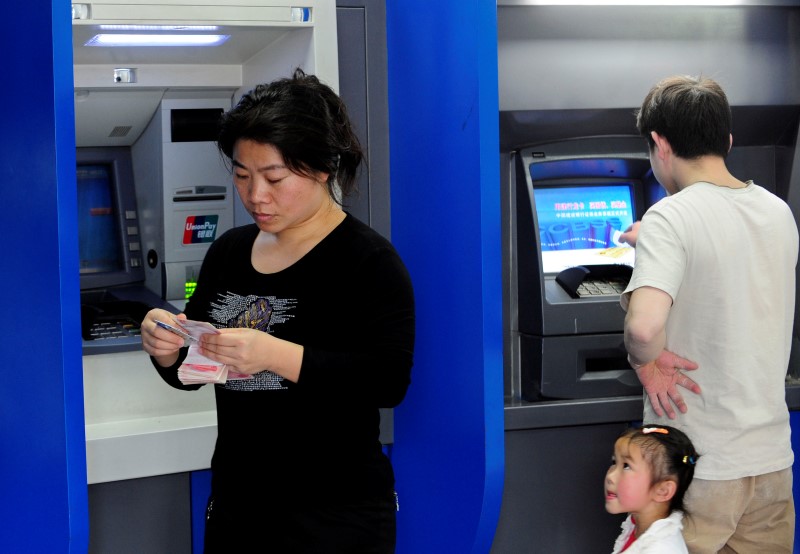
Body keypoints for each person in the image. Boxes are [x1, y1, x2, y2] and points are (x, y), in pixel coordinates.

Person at [140, 68, 415, 553]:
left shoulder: (367, 260)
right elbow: (195, 365)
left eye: (274, 177)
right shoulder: (229, 251)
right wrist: (166, 349)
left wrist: (274, 354)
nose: (255, 195)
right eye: (243, 176)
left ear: (322, 168)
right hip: (239, 505)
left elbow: (387, 380)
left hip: (334, 514)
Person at [621, 75, 797, 552]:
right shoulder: (778, 211)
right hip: (770, 462)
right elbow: (730, 265)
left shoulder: (670, 217)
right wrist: (657, 246)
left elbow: (644, 326)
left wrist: (647, 363)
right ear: (728, 141)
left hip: (699, 464)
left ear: (659, 143)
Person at [606, 425, 699, 553]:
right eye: (614, 462)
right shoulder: (638, 528)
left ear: (663, 491)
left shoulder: (660, 549)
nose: (610, 476)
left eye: (626, 466)